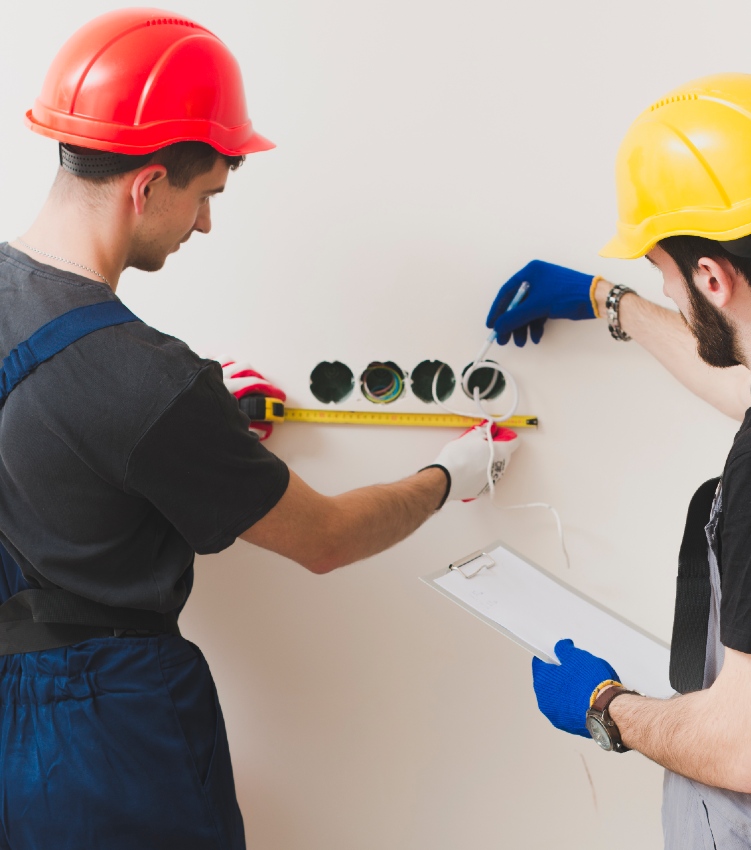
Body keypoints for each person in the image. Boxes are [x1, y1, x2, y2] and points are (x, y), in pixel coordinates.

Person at [0, 9, 519, 849]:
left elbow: (54, 458)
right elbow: (328, 538)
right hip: (111, 742)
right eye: (206, 196)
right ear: (147, 185)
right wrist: (450, 476)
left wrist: (202, 446)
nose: (205, 224)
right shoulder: (151, 382)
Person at [486, 73, 751, 847]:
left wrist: (607, 708)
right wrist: (608, 302)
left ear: (714, 279)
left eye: (664, 273)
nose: (667, 289)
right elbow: (748, 381)